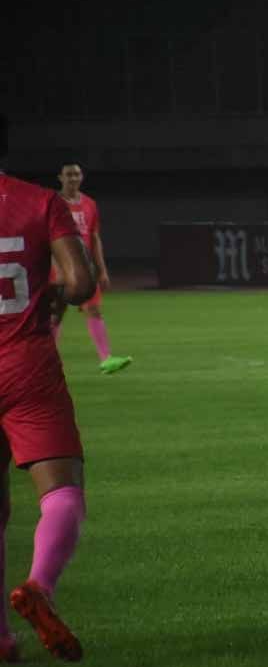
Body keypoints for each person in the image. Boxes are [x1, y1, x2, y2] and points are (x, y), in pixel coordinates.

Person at [0, 114, 95, 661]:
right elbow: (80, 284)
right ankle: (38, 587)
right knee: (63, 495)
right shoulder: (40, 201)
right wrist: (56, 291)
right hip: (26, 361)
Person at [51, 163, 132, 375]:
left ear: (82, 177)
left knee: (93, 309)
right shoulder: (52, 203)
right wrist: (55, 267)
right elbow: (45, 238)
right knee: (55, 314)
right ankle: (45, 361)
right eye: (68, 174)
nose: (73, 178)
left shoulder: (89, 204)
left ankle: (106, 359)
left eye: (76, 174)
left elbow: (94, 238)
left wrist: (102, 270)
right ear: (60, 177)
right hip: (60, 268)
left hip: (84, 268)